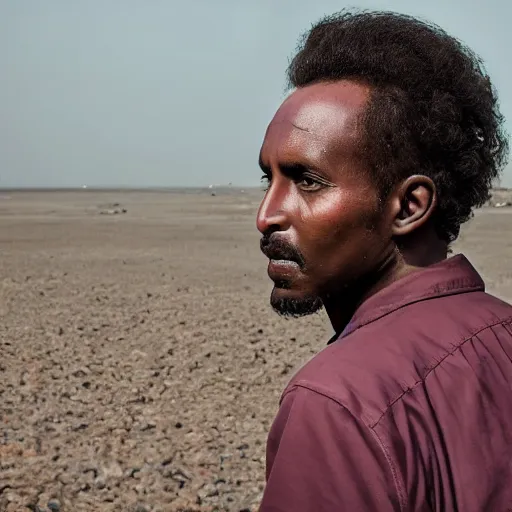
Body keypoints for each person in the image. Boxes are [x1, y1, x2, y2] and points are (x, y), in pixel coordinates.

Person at [256, 9, 512, 512]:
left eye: (307, 180)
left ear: (409, 206)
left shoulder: (336, 402)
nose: (267, 215)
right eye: (270, 179)